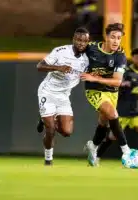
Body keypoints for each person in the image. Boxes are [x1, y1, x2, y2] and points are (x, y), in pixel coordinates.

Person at [36, 27, 90, 165]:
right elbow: (40, 66)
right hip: (47, 92)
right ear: (73, 39)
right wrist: (58, 68)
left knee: (66, 132)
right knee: (50, 129)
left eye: (84, 41)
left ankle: (45, 119)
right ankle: (48, 160)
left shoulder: (88, 58)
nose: (81, 43)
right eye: (78, 40)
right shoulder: (61, 51)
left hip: (64, 96)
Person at [80, 23, 131, 166]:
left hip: (112, 93)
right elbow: (75, 54)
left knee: (104, 122)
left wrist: (94, 77)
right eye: (113, 37)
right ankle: (126, 152)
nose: (116, 41)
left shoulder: (120, 56)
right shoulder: (91, 48)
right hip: (94, 90)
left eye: (119, 38)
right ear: (106, 37)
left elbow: (117, 82)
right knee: (113, 114)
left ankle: (93, 147)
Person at [97, 48, 138, 166]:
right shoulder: (125, 72)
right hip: (122, 111)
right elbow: (114, 83)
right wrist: (122, 84)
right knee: (112, 137)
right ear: (132, 58)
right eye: (137, 57)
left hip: (136, 111)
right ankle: (96, 156)